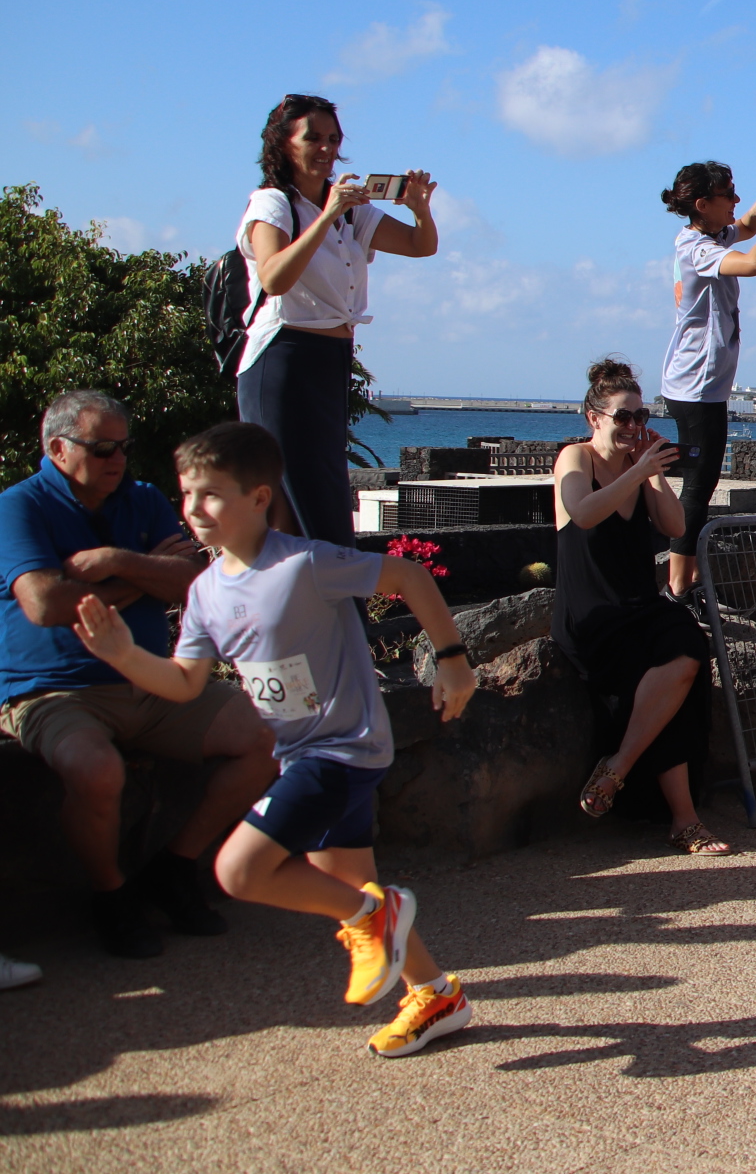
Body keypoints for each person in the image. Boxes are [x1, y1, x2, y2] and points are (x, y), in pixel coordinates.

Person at [75, 421, 479, 1057]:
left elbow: (409, 578)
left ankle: (377, 919)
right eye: (186, 495)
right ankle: (434, 993)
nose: (193, 510)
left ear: (259, 498)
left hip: (342, 750)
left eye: (211, 495)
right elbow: (183, 684)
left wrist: (452, 657)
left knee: (239, 871)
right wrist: (123, 655)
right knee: (348, 884)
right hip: (301, 754)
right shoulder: (205, 591)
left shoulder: (303, 564)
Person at [0, 391, 272, 958]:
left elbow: (194, 581)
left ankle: (173, 869)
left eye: (122, 446)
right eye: (102, 448)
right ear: (58, 448)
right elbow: (45, 604)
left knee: (270, 736)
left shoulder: (142, 498)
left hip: (149, 679)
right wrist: (141, 578)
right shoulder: (19, 507)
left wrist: (117, 561)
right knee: (97, 772)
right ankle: (111, 895)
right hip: (55, 690)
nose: (117, 459)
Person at [235, 94, 439, 546]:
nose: (326, 148)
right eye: (313, 138)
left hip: (330, 355)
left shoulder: (352, 209)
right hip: (283, 356)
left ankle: (336, 605)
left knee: (327, 488)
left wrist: (420, 209)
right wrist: (326, 215)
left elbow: (420, 245)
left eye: (333, 139)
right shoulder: (272, 204)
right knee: (290, 497)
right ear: (282, 143)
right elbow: (273, 278)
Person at [551, 361, 728, 857]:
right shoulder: (575, 459)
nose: (632, 427)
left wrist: (650, 472)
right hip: (593, 610)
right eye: (622, 418)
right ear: (594, 418)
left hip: (639, 605)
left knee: (687, 649)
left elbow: (675, 526)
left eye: (640, 416)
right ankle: (684, 820)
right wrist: (638, 472)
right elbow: (583, 512)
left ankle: (618, 769)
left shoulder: (638, 467)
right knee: (663, 683)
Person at [657, 160, 756, 598]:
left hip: (708, 385)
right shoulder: (695, 248)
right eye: (728, 194)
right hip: (693, 384)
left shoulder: (713, 234)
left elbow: (741, 228)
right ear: (703, 204)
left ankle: (687, 570)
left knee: (704, 477)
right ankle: (680, 582)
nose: (736, 201)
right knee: (699, 484)